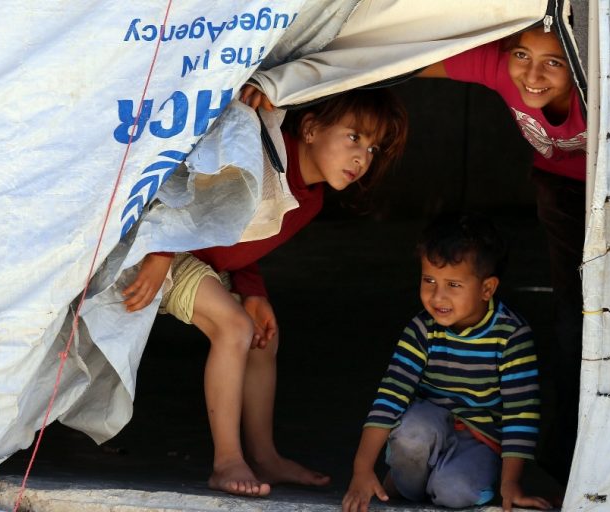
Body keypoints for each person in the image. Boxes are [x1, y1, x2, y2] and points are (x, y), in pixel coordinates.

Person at [122, 87, 409, 497]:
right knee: (234, 326)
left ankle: (264, 456)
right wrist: (163, 252)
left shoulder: (309, 201)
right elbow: (188, 186)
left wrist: (253, 291)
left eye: (373, 149)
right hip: (161, 248)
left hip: (201, 259)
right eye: (354, 138)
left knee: (261, 338)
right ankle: (226, 462)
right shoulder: (263, 150)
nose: (362, 158)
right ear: (310, 129)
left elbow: (242, 236)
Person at [417, 18, 588, 491]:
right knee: (573, 317)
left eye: (553, 62)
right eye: (522, 56)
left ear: (578, 63)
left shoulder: (602, 82)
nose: (532, 75)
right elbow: (401, 61)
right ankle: (564, 454)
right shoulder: (496, 66)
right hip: (561, 191)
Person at [341, 212, 550, 512]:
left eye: (453, 285)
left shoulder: (511, 336)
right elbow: (390, 398)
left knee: (454, 494)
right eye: (429, 280)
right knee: (412, 434)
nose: (437, 296)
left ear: (487, 289)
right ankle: (405, 483)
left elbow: (521, 416)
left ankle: (429, 482)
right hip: (429, 428)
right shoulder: (422, 329)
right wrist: (362, 470)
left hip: (482, 440)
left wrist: (510, 484)